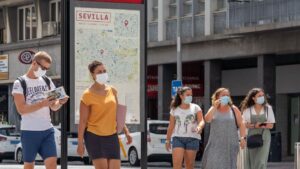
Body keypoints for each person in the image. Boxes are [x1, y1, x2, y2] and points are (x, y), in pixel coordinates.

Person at [12, 51, 69, 169]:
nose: (44, 70)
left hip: (47, 130)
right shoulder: (20, 83)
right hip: (29, 131)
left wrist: (60, 102)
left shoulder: (47, 80)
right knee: (29, 165)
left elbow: (53, 106)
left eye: (46, 68)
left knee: (52, 163)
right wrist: (42, 103)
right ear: (34, 63)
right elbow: (21, 109)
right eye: (43, 67)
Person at [77, 60, 132, 169]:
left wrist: (126, 132)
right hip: (94, 137)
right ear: (92, 75)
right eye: (99, 72)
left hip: (112, 136)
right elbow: (83, 121)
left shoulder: (112, 90)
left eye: (104, 71)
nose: (103, 73)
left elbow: (117, 114)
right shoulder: (87, 95)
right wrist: (80, 144)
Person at [202, 87, 246, 169]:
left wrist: (243, 138)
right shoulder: (213, 109)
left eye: (227, 95)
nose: (226, 97)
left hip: (230, 143)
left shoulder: (234, 109)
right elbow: (207, 119)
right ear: (217, 97)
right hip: (215, 144)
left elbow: (241, 123)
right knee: (214, 164)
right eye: (223, 95)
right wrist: (215, 107)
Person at [165, 86, 205, 169]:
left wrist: (199, 127)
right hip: (177, 138)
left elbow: (202, 121)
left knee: (189, 166)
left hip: (193, 138)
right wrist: (167, 140)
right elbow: (171, 125)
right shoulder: (174, 109)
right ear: (181, 96)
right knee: (176, 165)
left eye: (191, 95)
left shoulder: (196, 107)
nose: (190, 96)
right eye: (187, 95)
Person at [241, 88, 276, 169]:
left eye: (262, 95)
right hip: (251, 136)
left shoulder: (268, 108)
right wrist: (254, 126)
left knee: (261, 160)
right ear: (253, 98)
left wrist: (260, 125)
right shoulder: (248, 110)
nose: (262, 97)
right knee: (251, 160)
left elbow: (271, 125)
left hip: (265, 136)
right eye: (259, 95)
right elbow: (244, 124)